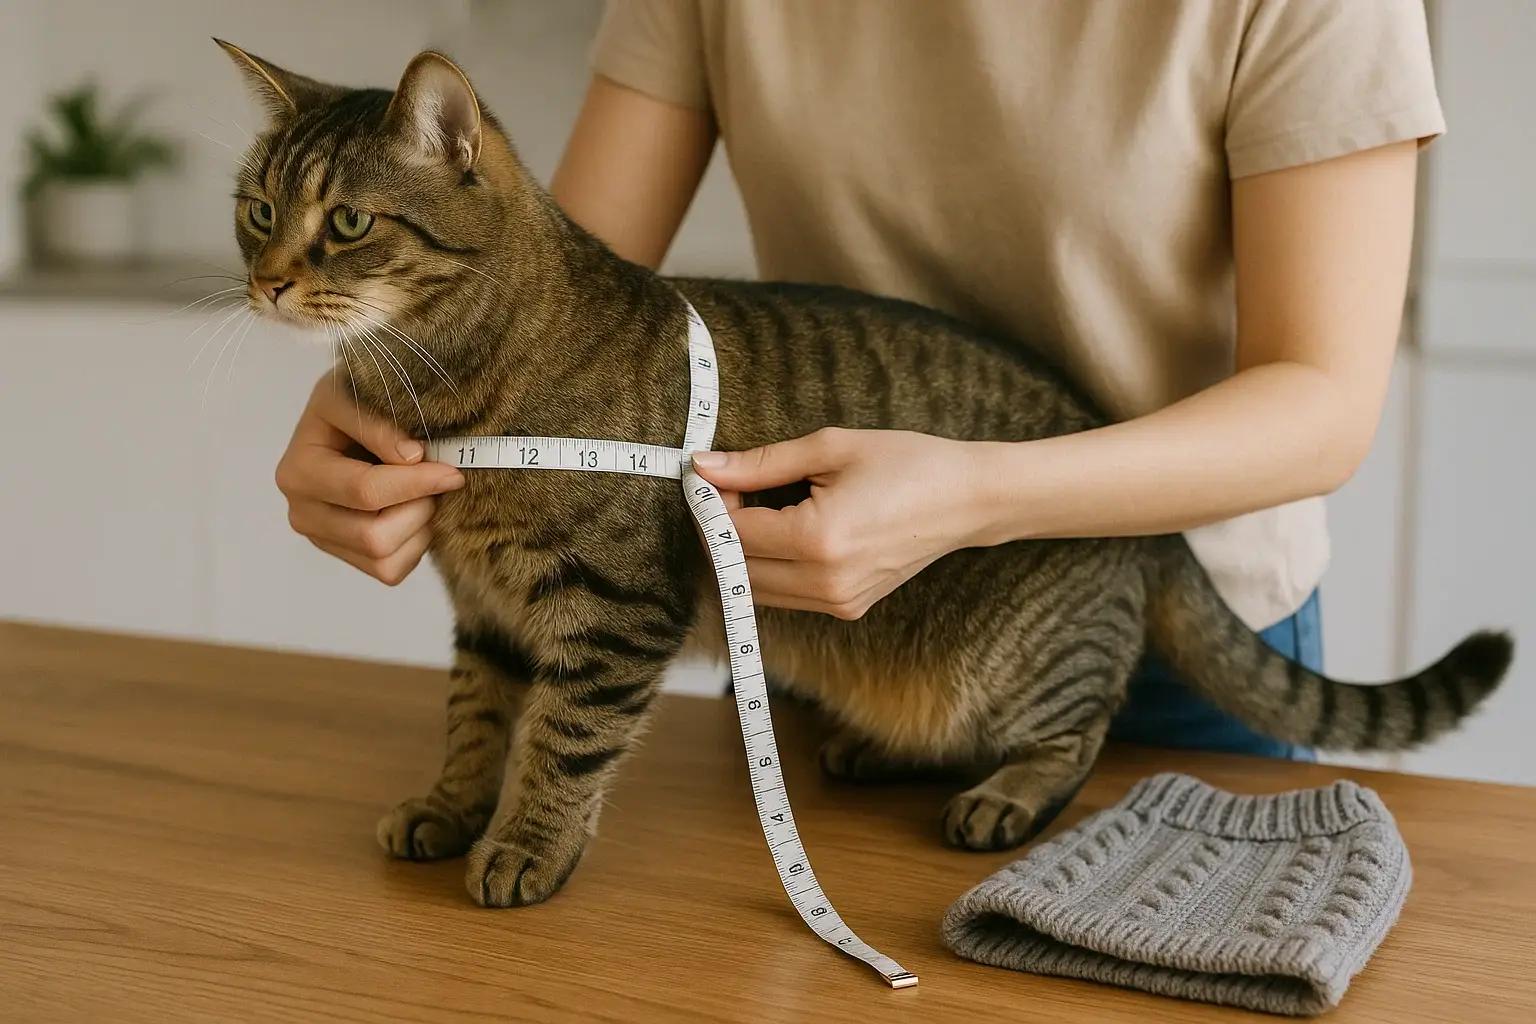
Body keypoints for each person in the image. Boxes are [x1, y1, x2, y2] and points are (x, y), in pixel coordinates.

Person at [274, 1, 1444, 760]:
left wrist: (975, 496)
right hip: (816, 617)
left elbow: (1322, 404)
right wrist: (391, 383)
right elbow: (556, 283)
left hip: (1167, 640)